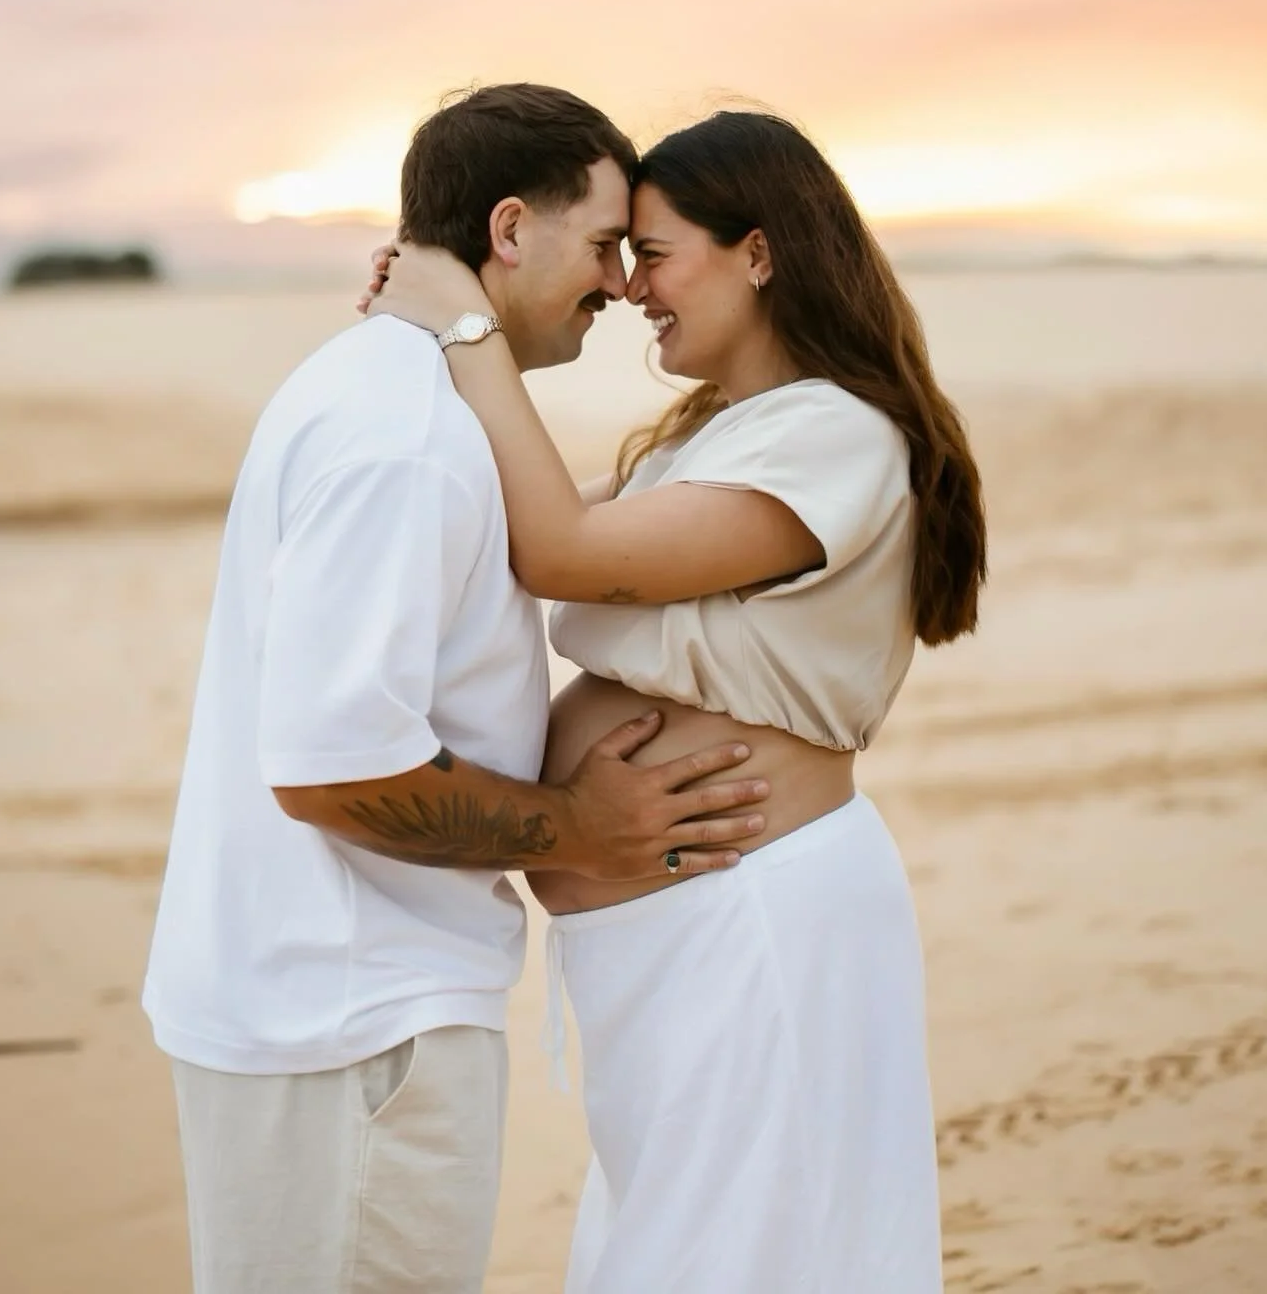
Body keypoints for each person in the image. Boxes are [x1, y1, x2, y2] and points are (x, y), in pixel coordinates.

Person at [143, 84, 772, 1294]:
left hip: (321, 1003)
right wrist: (579, 828)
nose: (618, 284)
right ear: (509, 228)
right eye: (604, 245)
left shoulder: (385, 390)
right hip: (354, 1026)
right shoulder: (406, 437)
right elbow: (331, 769)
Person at [365, 108, 987, 1294]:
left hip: (755, 914)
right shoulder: (718, 431)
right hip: (680, 929)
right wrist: (425, 339)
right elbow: (514, 522)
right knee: (687, 1243)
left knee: (734, 1255)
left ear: (758, 253)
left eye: (651, 254)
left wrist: (464, 326)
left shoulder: (834, 433)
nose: (630, 288)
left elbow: (562, 553)